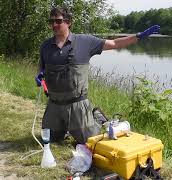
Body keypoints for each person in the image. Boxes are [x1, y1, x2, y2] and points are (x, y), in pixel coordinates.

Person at [35, 7, 160, 144]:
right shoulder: (46, 46)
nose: (54, 25)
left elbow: (114, 43)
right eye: (51, 21)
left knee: (88, 141)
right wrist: (40, 75)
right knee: (48, 139)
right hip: (54, 104)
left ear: (68, 22)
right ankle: (65, 127)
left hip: (77, 104)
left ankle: (97, 118)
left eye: (58, 21)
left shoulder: (85, 42)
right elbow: (41, 67)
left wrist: (138, 37)